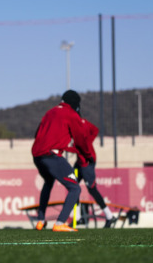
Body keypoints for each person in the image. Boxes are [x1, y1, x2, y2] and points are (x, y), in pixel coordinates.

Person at [31, 90, 91, 232]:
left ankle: (40, 221)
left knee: (48, 182)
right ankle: (60, 222)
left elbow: (37, 133)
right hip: (51, 155)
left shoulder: (49, 112)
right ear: (75, 104)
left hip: (37, 155)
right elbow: (80, 139)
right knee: (75, 188)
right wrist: (86, 155)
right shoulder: (71, 114)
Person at [74, 118, 116, 228]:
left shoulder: (79, 122)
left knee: (92, 189)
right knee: (72, 186)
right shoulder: (76, 122)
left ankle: (109, 216)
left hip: (86, 162)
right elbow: (95, 130)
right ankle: (77, 218)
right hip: (80, 162)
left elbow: (95, 130)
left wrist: (87, 142)